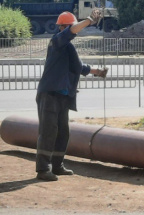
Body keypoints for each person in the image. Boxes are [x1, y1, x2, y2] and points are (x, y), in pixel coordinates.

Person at [35, 9, 108, 181]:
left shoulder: (68, 47)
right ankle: (43, 169)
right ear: (63, 28)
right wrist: (89, 20)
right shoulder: (57, 41)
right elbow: (70, 32)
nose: (74, 30)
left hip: (62, 96)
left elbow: (80, 67)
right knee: (48, 131)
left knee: (63, 132)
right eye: (71, 27)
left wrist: (98, 72)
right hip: (49, 95)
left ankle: (58, 165)